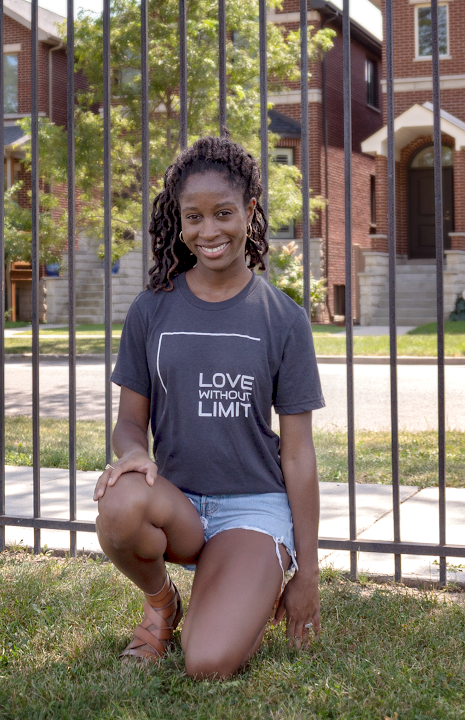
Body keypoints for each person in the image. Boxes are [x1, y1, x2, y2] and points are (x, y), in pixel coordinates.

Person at [94, 135, 324, 679]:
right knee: (120, 499)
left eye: (223, 213)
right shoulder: (151, 309)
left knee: (207, 663)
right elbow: (130, 423)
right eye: (193, 217)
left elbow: (297, 453)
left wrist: (308, 573)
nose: (208, 231)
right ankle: (162, 603)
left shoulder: (284, 319)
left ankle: (243, 579)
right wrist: (133, 456)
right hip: (182, 509)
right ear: (179, 220)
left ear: (248, 211)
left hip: (253, 507)